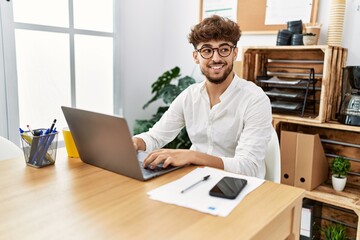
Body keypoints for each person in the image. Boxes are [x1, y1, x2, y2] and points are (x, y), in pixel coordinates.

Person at [133, 15, 272, 178]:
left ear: (234, 53)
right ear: (196, 57)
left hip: (239, 184)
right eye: (207, 50)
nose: (216, 58)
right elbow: (156, 136)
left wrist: (193, 156)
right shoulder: (189, 96)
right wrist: (136, 142)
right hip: (196, 178)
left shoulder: (255, 99)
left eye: (224, 49)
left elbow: (248, 167)